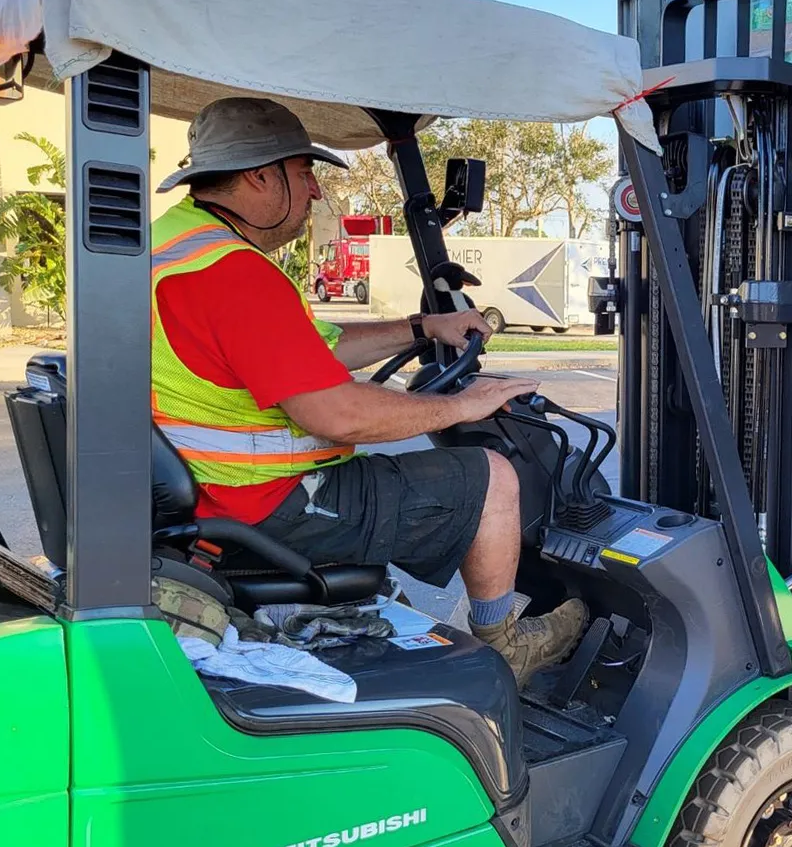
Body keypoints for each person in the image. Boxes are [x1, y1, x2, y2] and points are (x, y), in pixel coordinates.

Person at [149, 96, 588, 679]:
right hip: (261, 505)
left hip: (205, 492)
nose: (315, 193)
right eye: (304, 173)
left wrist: (422, 326)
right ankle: (506, 644)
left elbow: (317, 347)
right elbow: (338, 416)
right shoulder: (233, 274)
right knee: (490, 477)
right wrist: (460, 404)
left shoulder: (175, 248)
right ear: (260, 176)